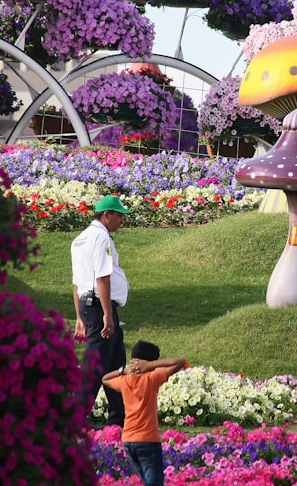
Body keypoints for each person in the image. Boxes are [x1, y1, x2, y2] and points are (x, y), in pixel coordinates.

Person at [72, 194, 132, 427]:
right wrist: (107, 314)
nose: (122, 220)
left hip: (89, 306)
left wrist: (79, 316)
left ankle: (118, 420)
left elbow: (77, 283)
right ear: (106, 215)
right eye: (119, 215)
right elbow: (102, 278)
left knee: (115, 365)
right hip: (100, 308)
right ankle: (76, 420)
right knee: (95, 365)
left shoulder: (80, 239)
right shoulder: (101, 237)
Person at [103, 340, 187, 486]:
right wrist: (150, 366)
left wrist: (124, 370)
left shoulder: (124, 381)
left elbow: (105, 379)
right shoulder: (151, 378)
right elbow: (181, 362)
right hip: (148, 440)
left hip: (128, 441)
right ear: (149, 362)